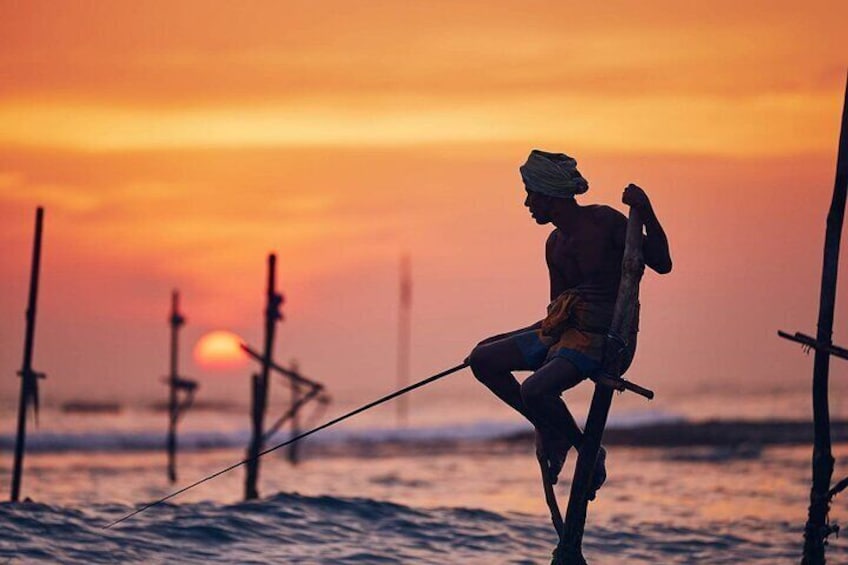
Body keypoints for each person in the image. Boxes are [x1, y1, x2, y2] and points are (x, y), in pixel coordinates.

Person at [468, 149, 672, 497]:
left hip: (603, 339)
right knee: (482, 358)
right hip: (566, 334)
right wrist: (507, 340)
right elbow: (556, 312)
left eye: (532, 193)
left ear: (550, 194)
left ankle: (585, 449)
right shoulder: (554, 244)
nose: (527, 202)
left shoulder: (605, 222)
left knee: (534, 389)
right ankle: (551, 428)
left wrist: (646, 209)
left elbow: (662, 262)